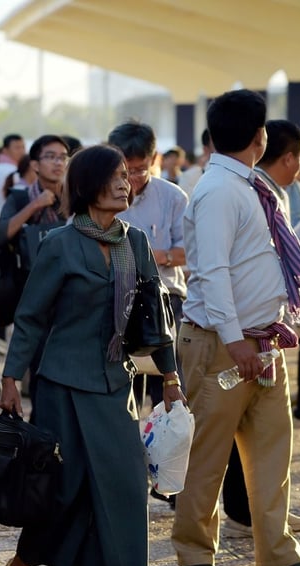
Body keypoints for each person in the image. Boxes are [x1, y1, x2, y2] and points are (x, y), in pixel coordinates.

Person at [0, 144, 185, 566]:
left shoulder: (133, 241)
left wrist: (171, 378)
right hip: (61, 386)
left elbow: (154, 317)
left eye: (128, 175)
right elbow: (31, 317)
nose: (126, 183)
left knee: (125, 488)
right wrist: (9, 379)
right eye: (115, 176)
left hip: (116, 384)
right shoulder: (58, 243)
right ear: (87, 186)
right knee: (65, 493)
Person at [172, 89, 300, 566]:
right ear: (259, 137)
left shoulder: (253, 185)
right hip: (224, 347)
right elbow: (213, 272)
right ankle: (195, 554)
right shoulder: (220, 189)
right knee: (209, 454)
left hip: (263, 343)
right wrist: (236, 339)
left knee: (271, 453)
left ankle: (279, 554)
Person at [109, 120, 189, 411]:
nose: (132, 178)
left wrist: (146, 256)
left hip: (165, 299)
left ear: (154, 160)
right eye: (124, 169)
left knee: (168, 386)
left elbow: (188, 253)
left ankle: (167, 449)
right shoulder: (100, 195)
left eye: (140, 169)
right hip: (115, 298)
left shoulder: (173, 197)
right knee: (120, 392)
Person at [0, 134, 70, 418]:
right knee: (39, 371)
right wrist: (35, 206)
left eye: (63, 156)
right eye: (51, 157)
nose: (59, 162)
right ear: (35, 165)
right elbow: (0, 234)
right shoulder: (20, 196)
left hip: (71, 297)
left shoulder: (75, 198)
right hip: (33, 294)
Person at [0, 134, 27, 207]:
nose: (22, 151)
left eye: (23, 147)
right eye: (17, 148)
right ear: (5, 150)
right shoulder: (13, 171)